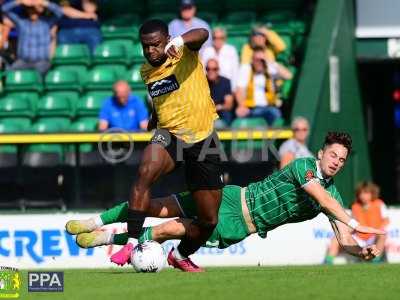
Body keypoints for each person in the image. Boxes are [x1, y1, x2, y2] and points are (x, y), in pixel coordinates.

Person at [66, 132, 385, 271]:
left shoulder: (335, 197)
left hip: (238, 225)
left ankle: (105, 238)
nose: (336, 162)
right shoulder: (304, 167)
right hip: (233, 197)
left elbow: (343, 239)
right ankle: (95, 222)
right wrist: (355, 222)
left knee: (168, 230)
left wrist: (361, 250)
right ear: (321, 153)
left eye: (342, 160)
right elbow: (320, 196)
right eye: (333, 155)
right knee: (153, 204)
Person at [108, 19, 224, 272]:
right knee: (144, 172)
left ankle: (180, 255)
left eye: (156, 45)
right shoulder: (146, 71)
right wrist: (154, 118)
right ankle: (131, 242)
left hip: (203, 139)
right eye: (145, 46)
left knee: (209, 219)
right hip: (170, 136)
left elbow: (203, 33)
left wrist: (180, 41)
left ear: (167, 39)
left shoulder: (183, 52)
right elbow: (162, 97)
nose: (150, 51)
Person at [2, 0, 96, 75]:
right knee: (9, 74)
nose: (32, 11)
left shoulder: (47, 23)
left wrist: (43, 2)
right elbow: (3, 9)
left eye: (34, 9)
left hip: (42, 62)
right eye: (30, 9)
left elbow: (59, 12)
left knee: (38, 76)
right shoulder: (22, 23)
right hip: (23, 61)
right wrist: (20, 1)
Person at [325, 181, 389, 264]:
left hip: (373, 236)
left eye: (366, 193)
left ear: (372, 193)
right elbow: (353, 223)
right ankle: (328, 261)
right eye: (360, 193)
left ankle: (376, 259)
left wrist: (377, 230)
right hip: (360, 237)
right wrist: (347, 232)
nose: (363, 196)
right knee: (337, 238)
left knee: (382, 235)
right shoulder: (355, 206)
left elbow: (386, 220)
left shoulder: (379, 203)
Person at [235, 47, 292, 125]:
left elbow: (288, 76)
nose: (259, 62)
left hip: (269, 107)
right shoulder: (246, 69)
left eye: (262, 60)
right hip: (252, 108)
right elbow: (240, 90)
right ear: (252, 60)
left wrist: (271, 62)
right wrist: (241, 106)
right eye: (256, 60)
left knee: (275, 113)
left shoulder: (269, 69)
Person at [206, 58, 234, 125]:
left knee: (227, 113)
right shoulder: (202, 82)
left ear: (218, 70)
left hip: (220, 111)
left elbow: (229, 105)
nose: (211, 71)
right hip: (206, 112)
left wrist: (218, 107)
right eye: (208, 69)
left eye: (214, 69)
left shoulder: (225, 82)